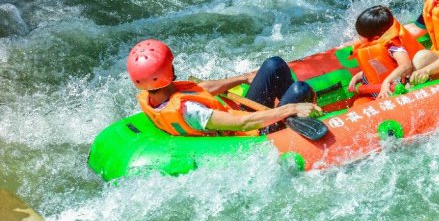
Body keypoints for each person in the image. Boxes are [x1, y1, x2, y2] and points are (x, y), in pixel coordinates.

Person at [126, 39, 322, 136]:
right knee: (300, 90)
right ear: (167, 71)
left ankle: (292, 117)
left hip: (241, 117)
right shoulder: (191, 111)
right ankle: (297, 123)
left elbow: (201, 89)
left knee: (274, 64)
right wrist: (292, 108)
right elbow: (243, 124)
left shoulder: (156, 92)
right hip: (253, 132)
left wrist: (243, 78)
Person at [347, 5, 425, 98]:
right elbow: (380, 68)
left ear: (375, 38)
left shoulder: (393, 45)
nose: (358, 38)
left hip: (401, 86)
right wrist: (358, 76)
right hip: (384, 88)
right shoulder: (374, 45)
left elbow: (406, 65)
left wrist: (387, 81)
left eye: (361, 36)